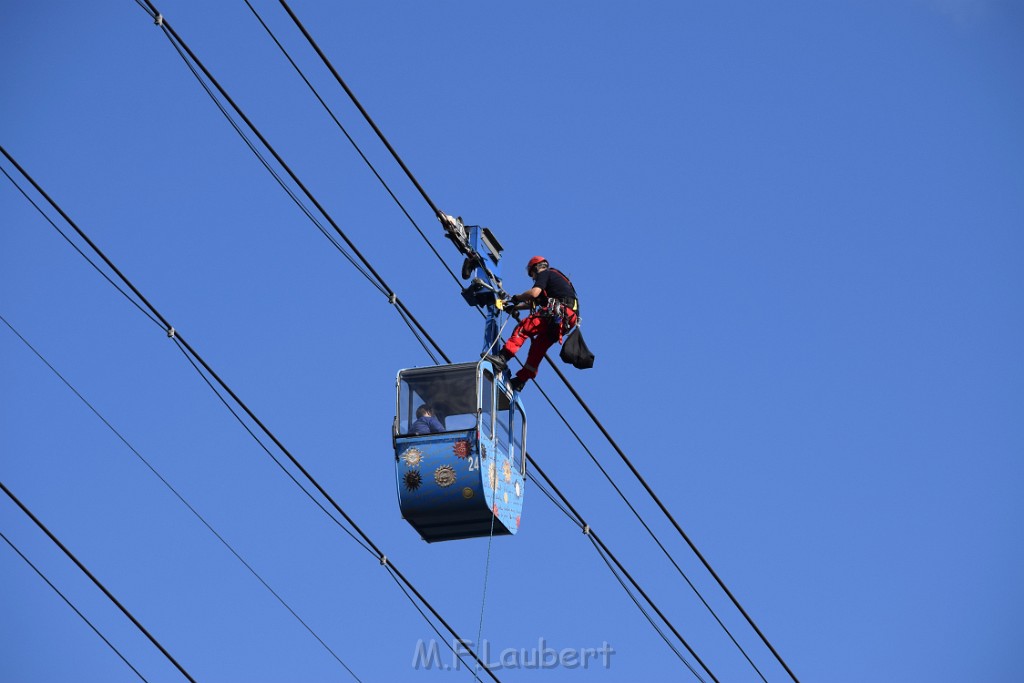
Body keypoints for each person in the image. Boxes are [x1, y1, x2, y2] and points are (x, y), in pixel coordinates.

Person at [493, 256, 579, 391]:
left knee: (524, 327)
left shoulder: (545, 273)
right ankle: (521, 380)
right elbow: (533, 302)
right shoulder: (556, 282)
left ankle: (503, 357)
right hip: (567, 319)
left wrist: (516, 297)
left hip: (559, 312)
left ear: (537, 267)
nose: (533, 278)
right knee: (538, 347)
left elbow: (533, 293)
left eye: (532, 274)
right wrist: (514, 307)